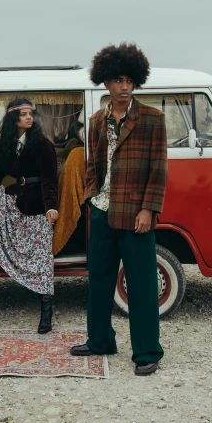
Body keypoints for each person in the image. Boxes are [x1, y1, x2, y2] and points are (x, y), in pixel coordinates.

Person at [70, 43, 168, 376]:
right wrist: (90, 198)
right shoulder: (97, 120)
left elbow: (159, 169)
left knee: (141, 286)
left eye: (129, 80)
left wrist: (148, 210)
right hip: (101, 211)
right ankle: (100, 341)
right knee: (98, 281)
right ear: (106, 83)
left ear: (136, 81)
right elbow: (93, 165)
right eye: (117, 80)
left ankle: (147, 352)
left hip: (135, 216)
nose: (124, 87)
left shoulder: (153, 119)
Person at [0, 98, 59, 334]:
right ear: (13, 119)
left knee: (43, 258)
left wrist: (51, 207)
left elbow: (49, 180)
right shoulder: (6, 144)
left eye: (30, 114)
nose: (29, 118)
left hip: (36, 204)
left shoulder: (43, 144)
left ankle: (46, 310)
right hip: (16, 198)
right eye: (23, 114)